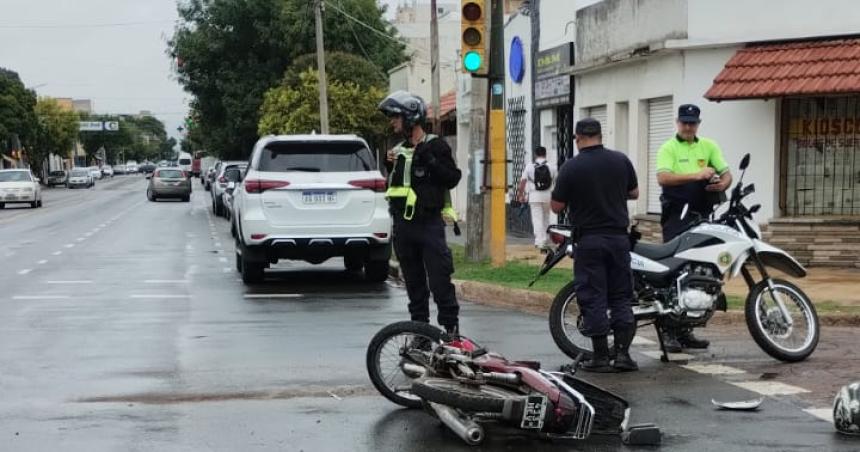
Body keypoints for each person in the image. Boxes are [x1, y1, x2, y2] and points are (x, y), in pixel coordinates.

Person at [551, 118, 640, 373]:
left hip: (589, 240)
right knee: (621, 295)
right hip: (618, 239)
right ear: (601, 135)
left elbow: (556, 206)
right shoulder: (620, 160)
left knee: (593, 296)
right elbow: (634, 193)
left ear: (578, 138)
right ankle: (623, 355)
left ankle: (600, 356)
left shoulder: (572, 167)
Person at [378, 91, 463, 335]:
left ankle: (451, 332)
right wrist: (389, 166)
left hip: (429, 225)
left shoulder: (436, 145)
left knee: (439, 281)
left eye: (395, 117)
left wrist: (430, 160)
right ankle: (421, 334)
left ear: (410, 117)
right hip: (404, 227)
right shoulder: (397, 151)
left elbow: (452, 178)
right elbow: (394, 186)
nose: (392, 122)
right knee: (414, 285)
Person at [656, 103, 732, 353]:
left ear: (698, 124)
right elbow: (663, 177)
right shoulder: (669, 147)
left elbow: (726, 172)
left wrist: (722, 185)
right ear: (678, 123)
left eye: (693, 123)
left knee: (698, 271)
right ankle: (668, 330)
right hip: (676, 214)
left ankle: (686, 329)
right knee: (674, 269)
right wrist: (697, 175)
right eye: (685, 122)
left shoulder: (708, 145)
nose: (688, 127)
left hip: (701, 214)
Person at [517, 146, 557, 252]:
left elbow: (523, 182)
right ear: (545, 154)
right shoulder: (552, 166)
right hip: (547, 195)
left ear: (535, 154)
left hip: (534, 195)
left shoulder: (529, 166)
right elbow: (557, 182)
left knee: (537, 219)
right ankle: (547, 239)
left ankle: (540, 242)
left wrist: (520, 195)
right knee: (546, 217)